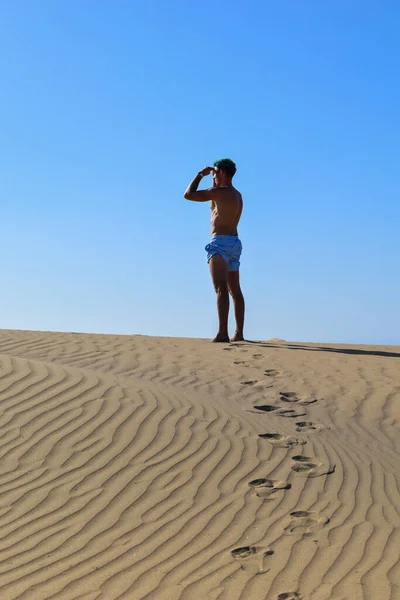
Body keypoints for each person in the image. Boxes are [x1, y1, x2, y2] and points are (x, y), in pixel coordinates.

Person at [184, 158, 245, 343]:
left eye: (216, 172)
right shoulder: (236, 195)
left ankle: (222, 333)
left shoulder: (219, 192)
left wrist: (200, 174)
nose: (214, 175)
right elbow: (213, 208)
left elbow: (188, 194)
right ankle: (239, 333)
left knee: (221, 289)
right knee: (235, 290)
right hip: (234, 243)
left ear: (223, 173)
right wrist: (213, 180)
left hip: (220, 243)